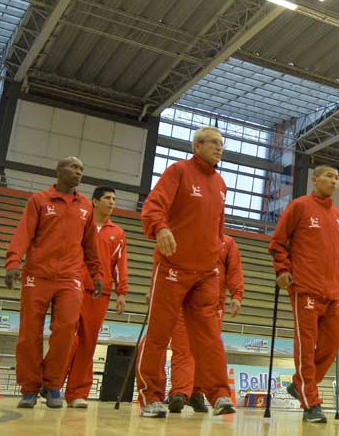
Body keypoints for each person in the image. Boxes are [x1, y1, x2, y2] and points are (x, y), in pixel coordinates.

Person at [137, 126, 235, 418]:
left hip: (205, 273)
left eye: (221, 144)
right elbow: (153, 206)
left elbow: (218, 225)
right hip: (172, 268)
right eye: (213, 143)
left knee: (209, 337)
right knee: (158, 334)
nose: (219, 148)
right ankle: (150, 396)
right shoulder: (178, 171)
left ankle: (219, 394)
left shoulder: (220, 183)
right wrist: (161, 228)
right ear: (197, 146)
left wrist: (216, 251)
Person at [5, 157, 103, 409]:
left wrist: (97, 274)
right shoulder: (38, 201)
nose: (79, 172)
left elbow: (91, 244)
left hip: (70, 278)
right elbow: (23, 233)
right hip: (37, 276)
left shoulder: (85, 207)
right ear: (59, 171)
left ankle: (52, 385)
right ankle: (29, 388)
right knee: (29, 333)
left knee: (66, 331)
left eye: (82, 169)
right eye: (74, 168)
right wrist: (13, 263)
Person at [269, 165, 339, 424]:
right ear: (314, 179)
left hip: (331, 293)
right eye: (329, 176)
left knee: (334, 341)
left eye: (338, 177)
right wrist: (282, 270)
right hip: (304, 288)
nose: (334, 181)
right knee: (306, 346)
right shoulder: (299, 206)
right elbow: (278, 243)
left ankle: (300, 384)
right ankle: (311, 403)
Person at [63, 185, 129, 408]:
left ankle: (77, 393)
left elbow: (120, 265)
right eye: (107, 198)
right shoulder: (81, 224)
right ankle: (51, 383)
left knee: (88, 343)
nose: (112, 202)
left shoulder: (118, 233)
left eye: (114, 199)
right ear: (94, 201)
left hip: (99, 293)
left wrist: (122, 291)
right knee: (65, 337)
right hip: (72, 287)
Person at [167, 234, 244, 413]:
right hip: (182, 298)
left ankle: (196, 393)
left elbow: (234, 270)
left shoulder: (228, 243)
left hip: (212, 303)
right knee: (181, 347)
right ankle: (179, 392)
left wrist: (237, 295)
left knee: (205, 350)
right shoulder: (188, 234)